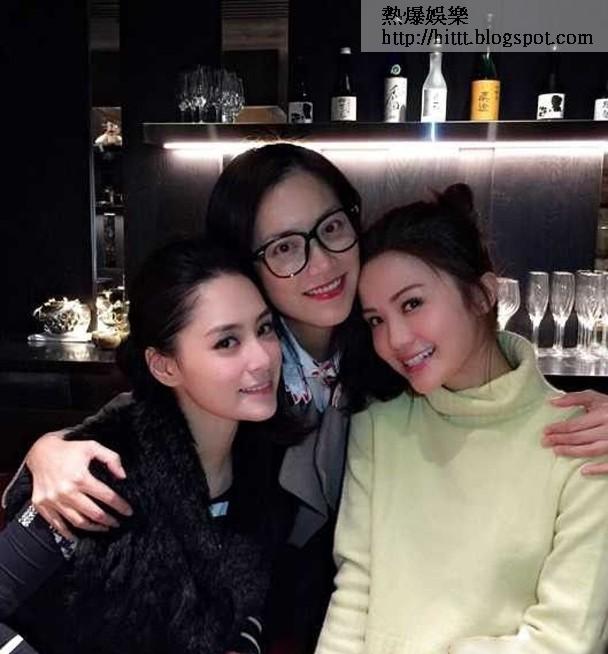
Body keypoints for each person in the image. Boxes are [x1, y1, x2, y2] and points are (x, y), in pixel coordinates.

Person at [8, 145, 608, 653]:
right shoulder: (248, 383)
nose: (320, 262)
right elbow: (151, 416)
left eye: (332, 228)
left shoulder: (390, 357)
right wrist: (51, 449)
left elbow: (484, 381)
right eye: (283, 247)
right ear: (247, 267)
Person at [316, 185, 608, 654]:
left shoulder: (583, 438)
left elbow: (565, 639)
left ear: (483, 294)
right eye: (375, 320)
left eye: (412, 304)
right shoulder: (379, 426)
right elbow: (354, 597)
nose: (395, 339)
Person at [0, 238, 288, 654]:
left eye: (264, 329)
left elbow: (250, 602)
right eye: (226, 342)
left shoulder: (264, 464)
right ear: (164, 365)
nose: (262, 358)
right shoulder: (101, 475)